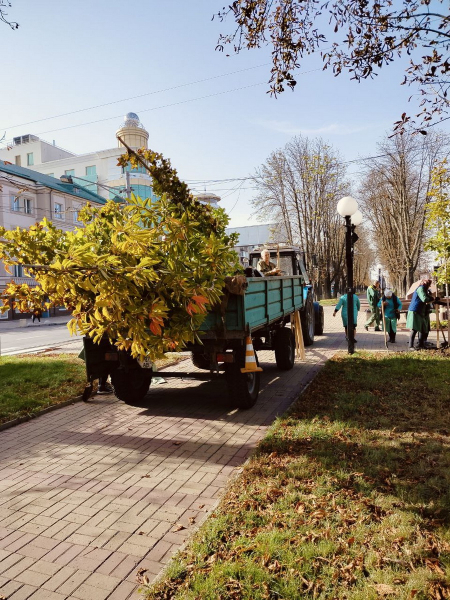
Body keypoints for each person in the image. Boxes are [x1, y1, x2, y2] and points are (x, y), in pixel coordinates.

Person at [406, 279, 435, 350]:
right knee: (414, 328)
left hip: (420, 311)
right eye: (428, 284)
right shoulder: (420, 288)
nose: (428, 286)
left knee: (422, 328)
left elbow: (427, 297)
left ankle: (421, 344)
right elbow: (424, 299)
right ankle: (410, 346)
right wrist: (432, 298)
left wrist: (432, 298)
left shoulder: (424, 289)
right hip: (415, 310)